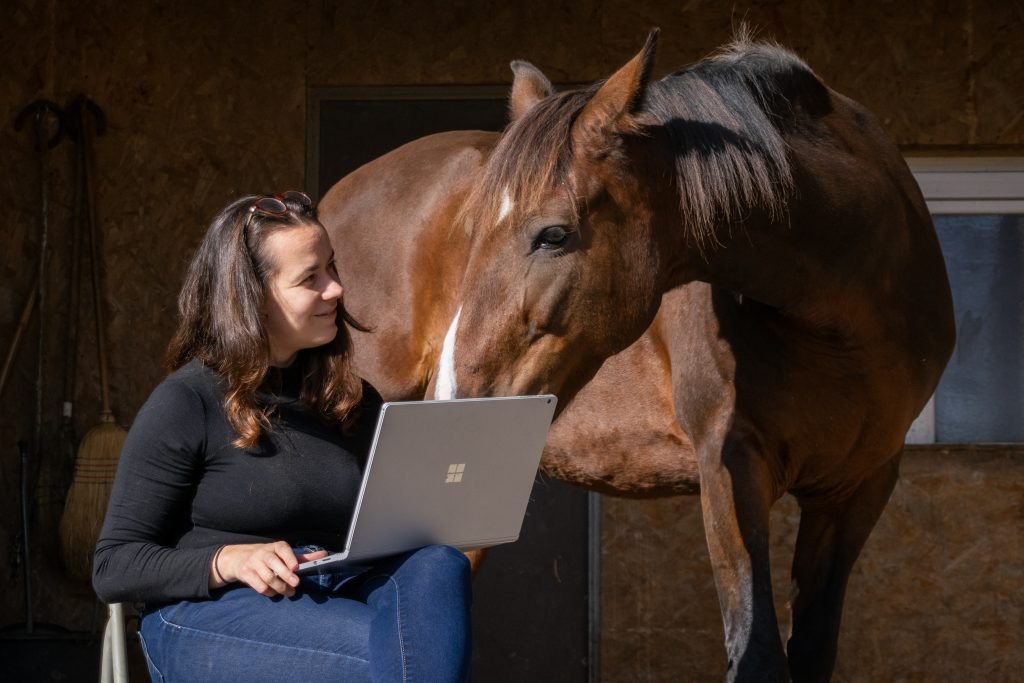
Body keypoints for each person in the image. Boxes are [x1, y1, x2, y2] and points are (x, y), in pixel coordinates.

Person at [92, 191, 472, 682]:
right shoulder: (187, 401)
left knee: (439, 564)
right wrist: (228, 560)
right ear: (252, 298)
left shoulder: (354, 401)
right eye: (309, 278)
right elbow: (114, 566)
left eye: (331, 269)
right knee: (399, 656)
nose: (334, 289)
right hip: (212, 610)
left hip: (332, 586)